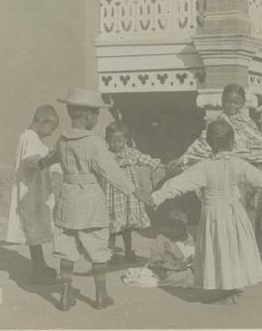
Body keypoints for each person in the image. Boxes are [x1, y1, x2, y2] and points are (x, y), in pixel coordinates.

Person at [39, 87, 153, 311]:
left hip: (68, 197)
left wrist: (40, 164)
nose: (97, 119)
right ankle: (100, 296)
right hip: (91, 199)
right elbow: (111, 171)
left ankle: (63, 296)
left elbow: (49, 158)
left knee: (67, 248)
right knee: (97, 247)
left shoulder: (62, 140)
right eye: (97, 115)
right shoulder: (94, 142)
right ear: (90, 116)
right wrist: (135, 191)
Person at [153, 120, 262, 304]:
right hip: (234, 214)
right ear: (231, 142)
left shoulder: (203, 167)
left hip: (214, 215)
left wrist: (156, 197)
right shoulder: (239, 164)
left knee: (219, 249)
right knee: (232, 249)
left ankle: (228, 290)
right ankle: (232, 287)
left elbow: (178, 183)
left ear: (210, 144)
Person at [167, 84, 262, 231]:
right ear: (222, 101)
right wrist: (183, 159)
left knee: (245, 217)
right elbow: (202, 144)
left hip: (245, 176)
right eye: (228, 101)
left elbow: (261, 147)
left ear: (242, 104)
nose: (231, 105)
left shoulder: (249, 124)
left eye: (236, 102)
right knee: (226, 215)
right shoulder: (217, 123)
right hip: (224, 175)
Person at [6, 105, 61, 285]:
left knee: (36, 230)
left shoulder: (31, 137)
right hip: (29, 193)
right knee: (33, 231)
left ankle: (41, 265)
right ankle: (37, 272)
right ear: (43, 121)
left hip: (33, 190)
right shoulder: (29, 137)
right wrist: (51, 157)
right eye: (50, 129)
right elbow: (31, 162)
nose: (50, 134)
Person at [105, 121, 163, 265]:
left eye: (119, 141)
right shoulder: (105, 155)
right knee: (111, 226)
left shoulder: (131, 152)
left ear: (126, 140)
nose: (116, 144)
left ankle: (128, 251)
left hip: (129, 196)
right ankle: (109, 252)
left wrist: (159, 165)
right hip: (112, 196)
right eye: (112, 141)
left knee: (127, 226)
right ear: (107, 140)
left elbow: (145, 159)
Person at [148, 216, 195, 287]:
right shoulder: (162, 237)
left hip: (182, 266)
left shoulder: (188, 237)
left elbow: (192, 253)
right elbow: (156, 254)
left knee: (190, 278)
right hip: (165, 266)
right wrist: (159, 265)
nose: (175, 238)